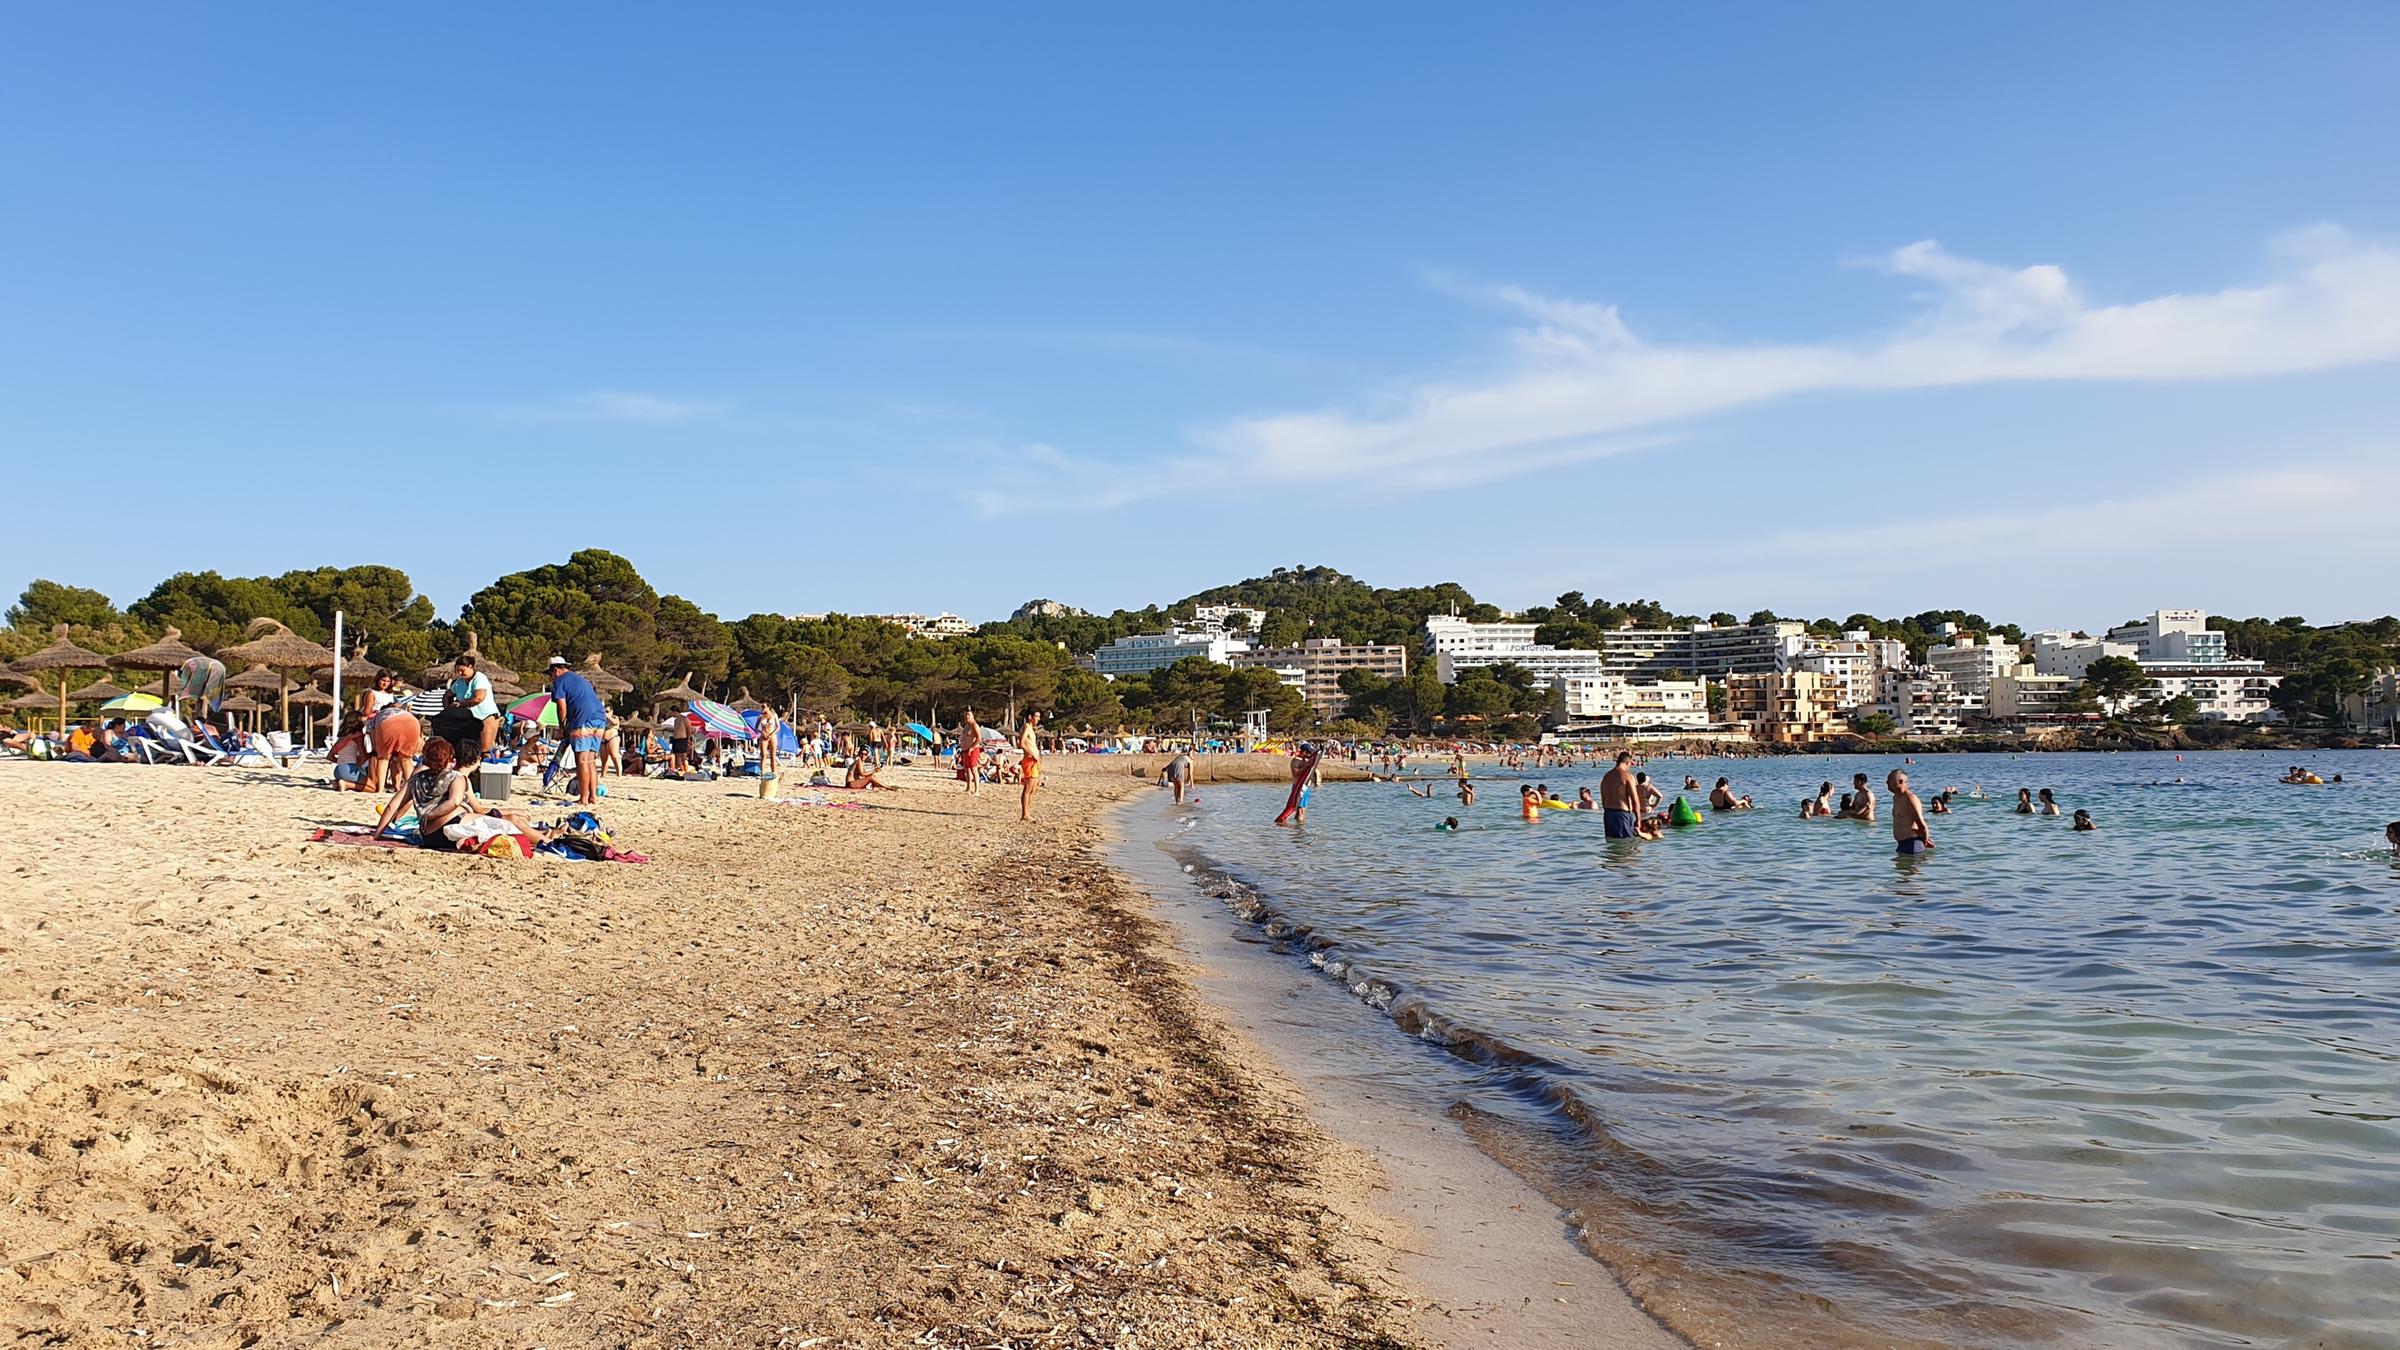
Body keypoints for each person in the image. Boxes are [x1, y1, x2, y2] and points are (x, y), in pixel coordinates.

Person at [543, 657, 609, 807]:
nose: (550, 678)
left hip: (582, 720)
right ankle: (593, 797)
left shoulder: (559, 682)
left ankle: (583, 798)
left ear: (556, 670)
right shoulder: (581, 680)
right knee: (590, 760)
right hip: (599, 718)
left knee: (582, 761)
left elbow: (561, 707)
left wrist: (562, 727)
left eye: (550, 674)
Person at [442, 654, 501, 767]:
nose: (459, 673)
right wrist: (448, 711)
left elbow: (479, 698)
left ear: (470, 667)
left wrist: (461, 704)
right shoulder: (459, 682)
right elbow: (447, 695)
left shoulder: (479, 678)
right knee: (464, 749)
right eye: (457, 671)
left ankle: (486, 774)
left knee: (485, 750)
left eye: (462, 670)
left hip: (486, 716)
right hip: (468, 719)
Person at [1889, 768, 1933, 855]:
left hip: (1912, 844)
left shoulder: (1910, 798)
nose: (1886, 783)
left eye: (1889, 780)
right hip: (1902, 845)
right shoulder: (1896, 797)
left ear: (1900, 781)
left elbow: (1921, 825)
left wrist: (1925, 841)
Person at [1601, 752, 1643, 839]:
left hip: (1608, 814)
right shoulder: (1627, 776)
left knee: (1612, 845)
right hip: (1622, 814)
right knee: (1627, 846)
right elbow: (1635, 799)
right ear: (1628, 762)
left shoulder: (1606, 777)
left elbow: (1603, 799)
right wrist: (1638, 819)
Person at [1018, 711, 1043, 822]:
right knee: (1028, 787)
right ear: (1030, 717)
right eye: (1036, 717)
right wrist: (1032, 755)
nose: (1038, 719)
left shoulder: (1031, 729)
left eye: (1039, 717)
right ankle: (1024, 814)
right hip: (1029, 760)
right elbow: (1022, 743)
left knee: (1034, 788)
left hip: (1034, 760)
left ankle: (1028, 812)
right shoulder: (1026, 727)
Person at [959, 709, 983, 795]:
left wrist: (972, 747)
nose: (967, 717)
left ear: (973, 716)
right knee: (967, 769)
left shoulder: (975, 725)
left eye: (969, 715)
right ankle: (968, 788)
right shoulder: (966, 726)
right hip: (965, 750)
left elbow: (979, 738)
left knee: (974, 769)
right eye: (966, 715)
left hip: (973, 750)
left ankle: (977, 790)